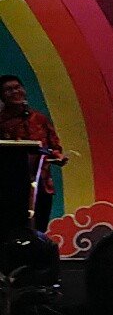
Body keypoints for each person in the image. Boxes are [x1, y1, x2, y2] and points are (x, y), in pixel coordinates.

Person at [0, 75, 66, 230]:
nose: (15, 92)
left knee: (39, 228)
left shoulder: (39, 119)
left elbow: (54, 147)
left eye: (17, 87)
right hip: (11, 186)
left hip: (41, 184)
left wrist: (58, 156)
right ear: (2, 96)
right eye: (9, 90)